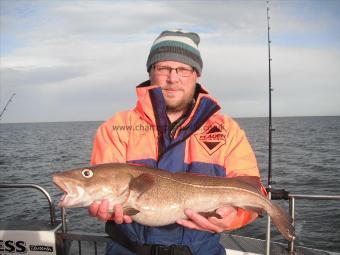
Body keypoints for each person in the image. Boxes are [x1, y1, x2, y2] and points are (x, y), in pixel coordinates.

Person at [89, 29, 265, 255]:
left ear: (196, 74)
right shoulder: (115, 127)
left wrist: (234, 217)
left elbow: (254, 190)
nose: (173, 78)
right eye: (163, 68)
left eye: (183, 69)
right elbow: (102, 190)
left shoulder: (227, 130)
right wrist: (103, 207)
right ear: (150, 72)